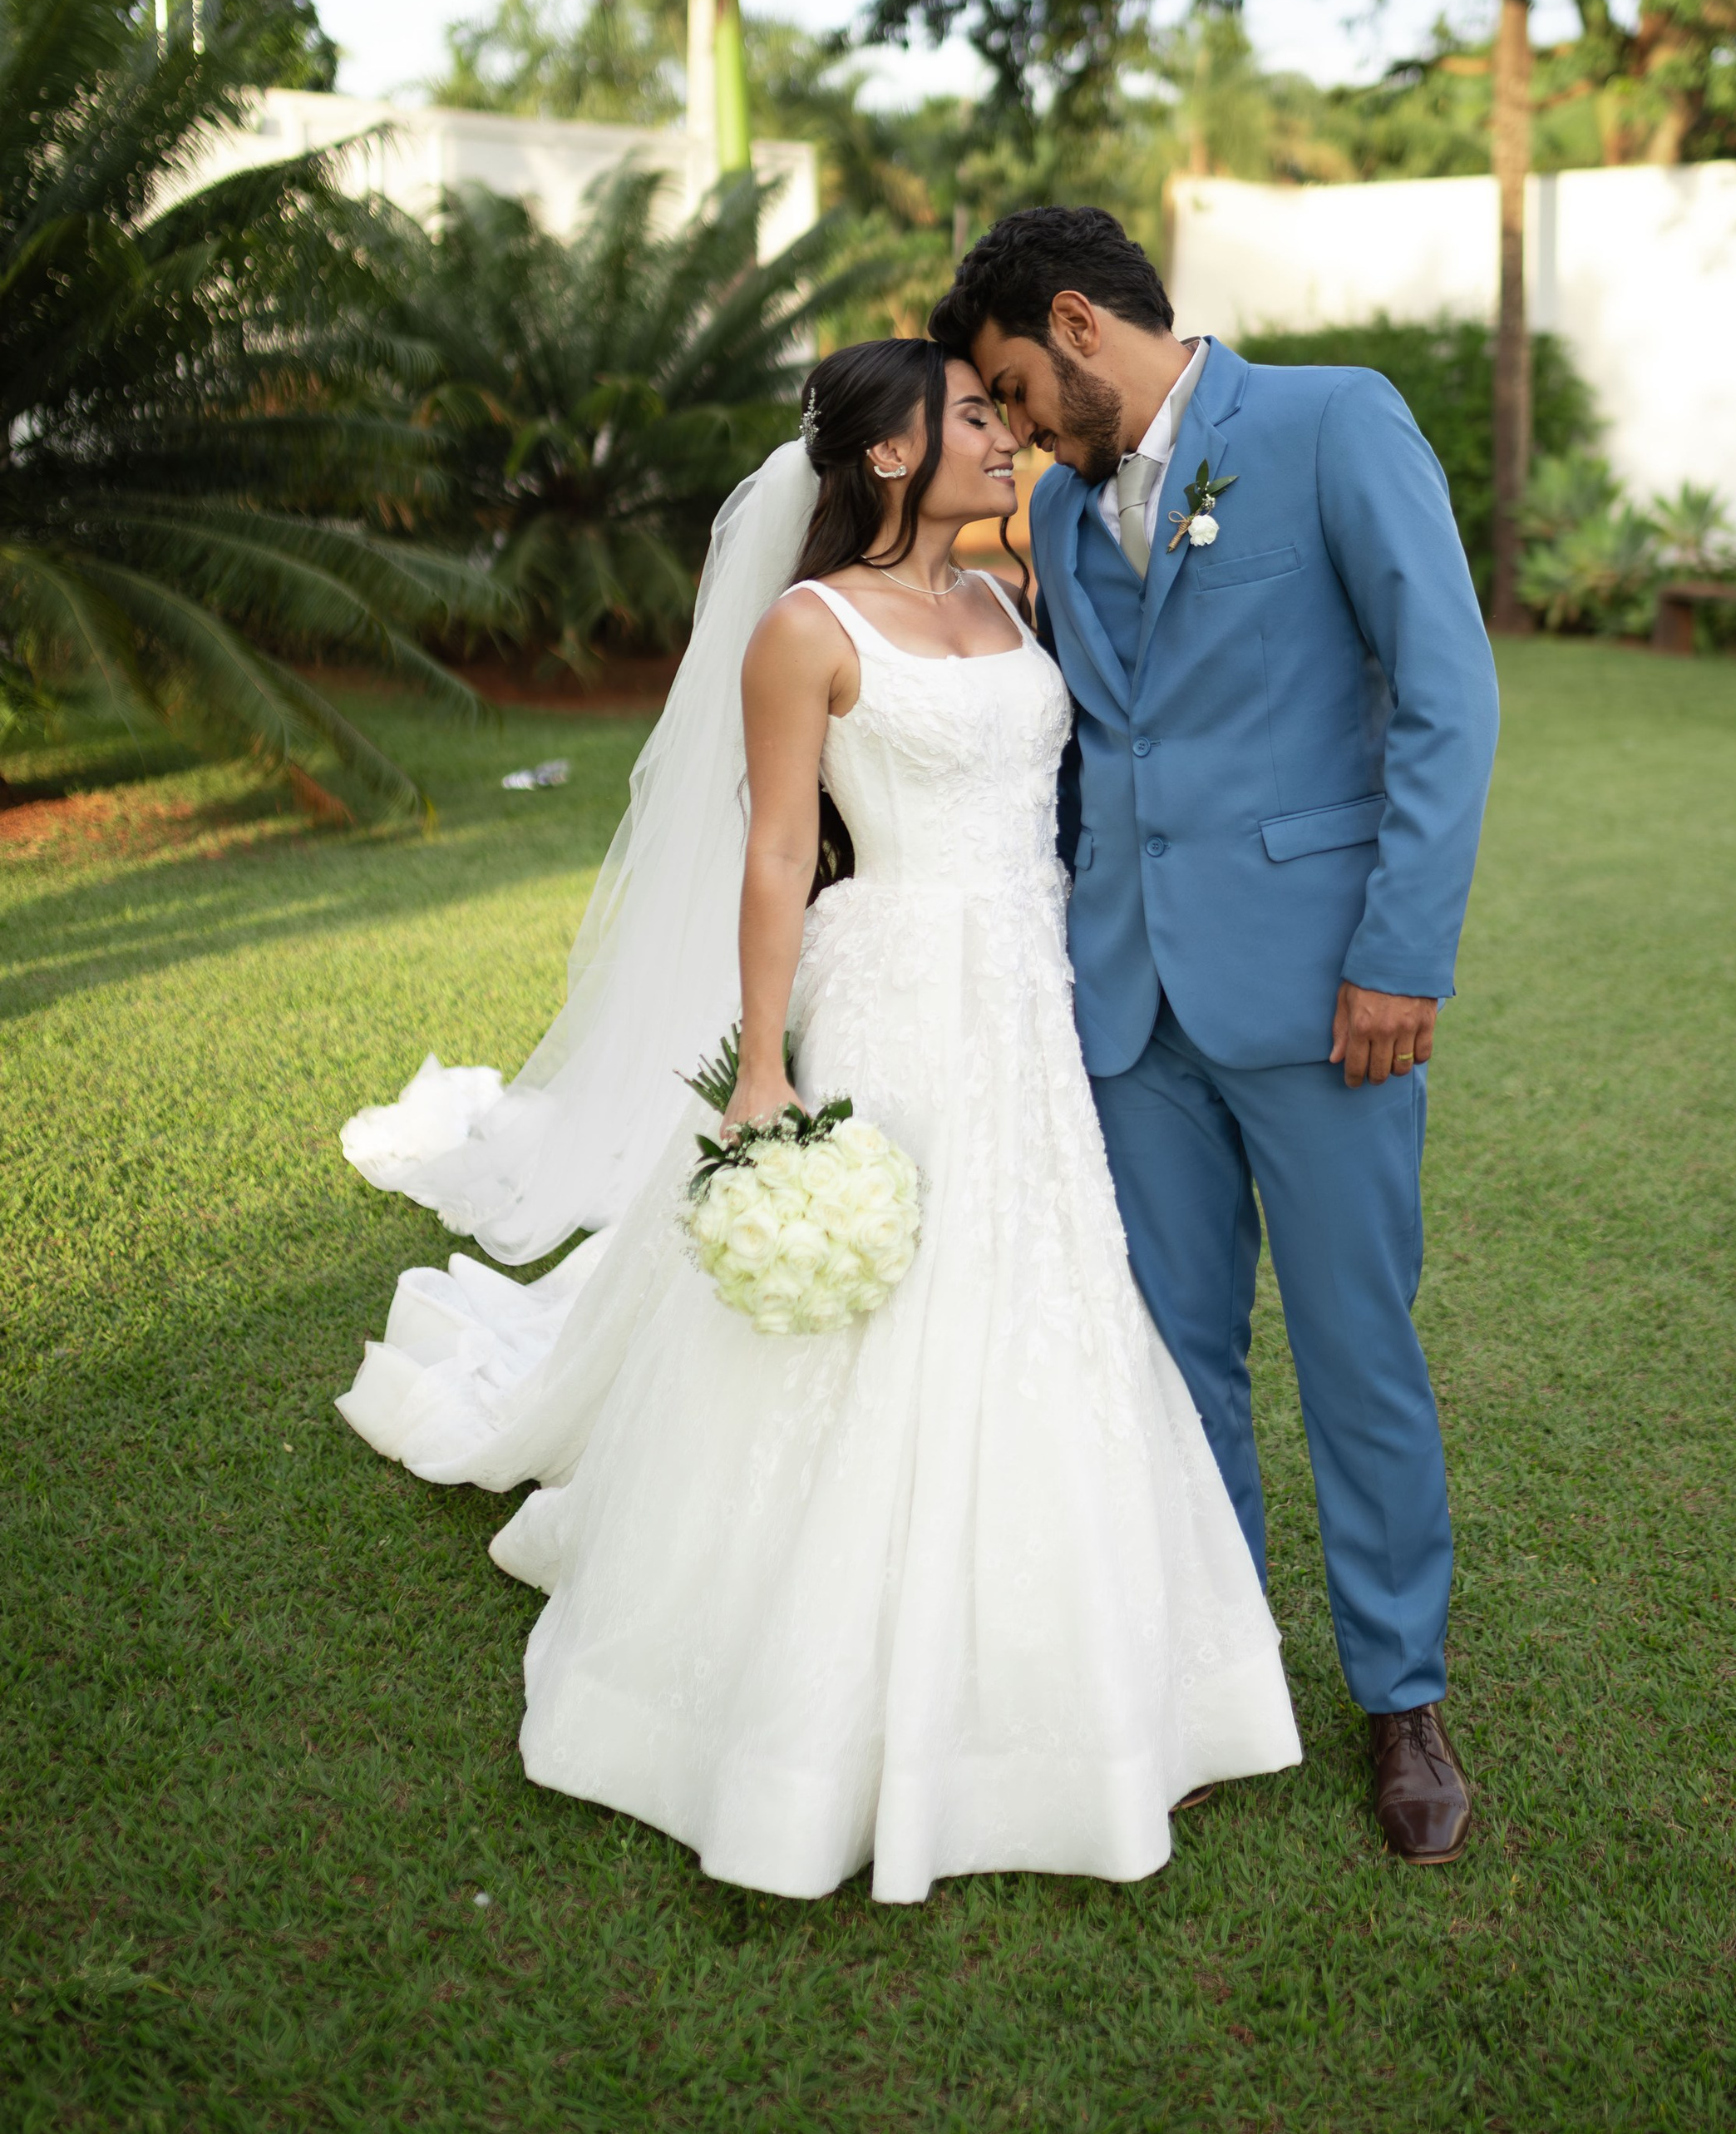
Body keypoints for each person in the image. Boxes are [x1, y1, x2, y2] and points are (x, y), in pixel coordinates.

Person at [336, 339, 1300, 1904]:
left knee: (1041, 1287)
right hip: (900, 988)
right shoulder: (804, 629)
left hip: (1035, 991)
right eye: (979, 417)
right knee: (884, 1304)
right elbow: (780, 853)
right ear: (896, 453)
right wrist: (768, 1067)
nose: (1011, 435)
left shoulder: (1005, 594)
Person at [930, 210, 1499, 1865]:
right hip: (1123, 1007)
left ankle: (1399, 1697)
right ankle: (1213, 1669)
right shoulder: (1045, 501)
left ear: (1077, 326)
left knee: (1352, 1349)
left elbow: (1444, 692)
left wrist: (1398, 951)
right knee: (1171, 1360)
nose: (1017, 427)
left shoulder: (1331, 424)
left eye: (1017, 389)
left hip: (1326, 996)